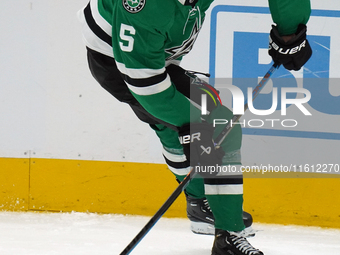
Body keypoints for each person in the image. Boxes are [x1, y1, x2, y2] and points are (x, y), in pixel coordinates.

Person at [78, 0, 312, 254]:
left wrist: (290, 29)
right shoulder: (142, 7)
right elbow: (148, 86)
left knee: (181, 121)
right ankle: (228, 235)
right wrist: (195, 125)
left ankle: (198, 201)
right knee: (221, 126)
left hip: (157, 49)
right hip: (116, 59)